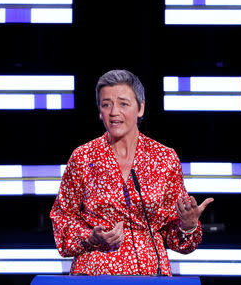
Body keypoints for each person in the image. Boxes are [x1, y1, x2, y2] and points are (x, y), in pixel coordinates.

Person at [50, 69, 214, 276]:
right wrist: (90, 237)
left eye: (123, 103)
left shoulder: (164, 158)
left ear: (140, 108)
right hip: (93, 274)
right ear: (100, 111)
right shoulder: (83, 157)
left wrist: (188, 225)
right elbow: (62, 219)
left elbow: (177, 239)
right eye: (106, 104)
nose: (114, 112)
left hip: (150, 274)